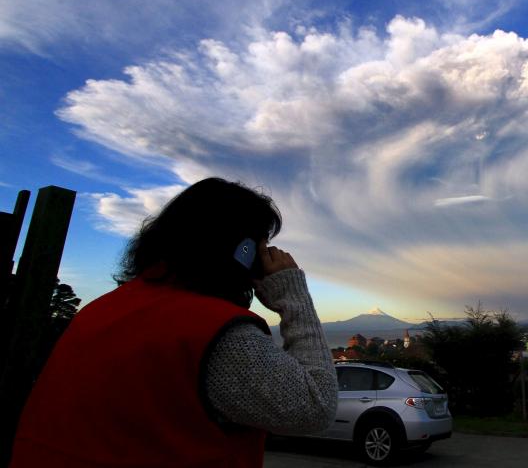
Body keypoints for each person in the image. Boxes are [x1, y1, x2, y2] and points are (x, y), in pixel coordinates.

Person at [10, 177, 337, 468]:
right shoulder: (216, 332)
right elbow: (315, 406)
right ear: (243, 251)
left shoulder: (98, 312)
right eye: (261, 245)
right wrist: (293, 295)